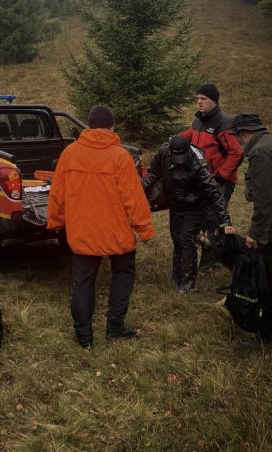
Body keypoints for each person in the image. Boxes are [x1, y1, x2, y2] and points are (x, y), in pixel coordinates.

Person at [47, 105, 155, 348]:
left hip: (82, 231)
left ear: (89, 125)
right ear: (111, 126)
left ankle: (83, 336)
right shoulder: (120, 157)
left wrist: (55, 220)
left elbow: (57, 193)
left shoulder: (70, 154)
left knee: (83, 281)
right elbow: (134, 199)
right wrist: (145, 229)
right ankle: (114, 328)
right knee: (123, 273)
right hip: (116, 231)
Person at [142, 135, 235, 294]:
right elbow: (152, 175)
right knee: (176, 238)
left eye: (182, 157)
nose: (179, 161)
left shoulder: (198, 165)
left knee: (186, 239)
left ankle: (188, 283)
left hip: (196, 207)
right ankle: (177, 276)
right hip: (175, 205)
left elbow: (213, 193)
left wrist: (225, 221)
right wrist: (137, 193)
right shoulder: (162, 153)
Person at [180, 83, 243, 274]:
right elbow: (191, 135)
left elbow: (237, 153)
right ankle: (220, 254)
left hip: (220, 181)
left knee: (212, 219)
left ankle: (208, 265)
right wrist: (178, 138)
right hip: (204, 179)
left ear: (214, 101)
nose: (199, 102)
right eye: (197, 98)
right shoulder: (199, 119)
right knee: (205, 216)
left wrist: (221, 177)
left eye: (203, 99)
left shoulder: (223, 123)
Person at [228, 113, 272, 286]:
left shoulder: (260, 152)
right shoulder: (267, 144)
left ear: (242, 132)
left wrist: (255, 233)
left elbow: (264, 198)